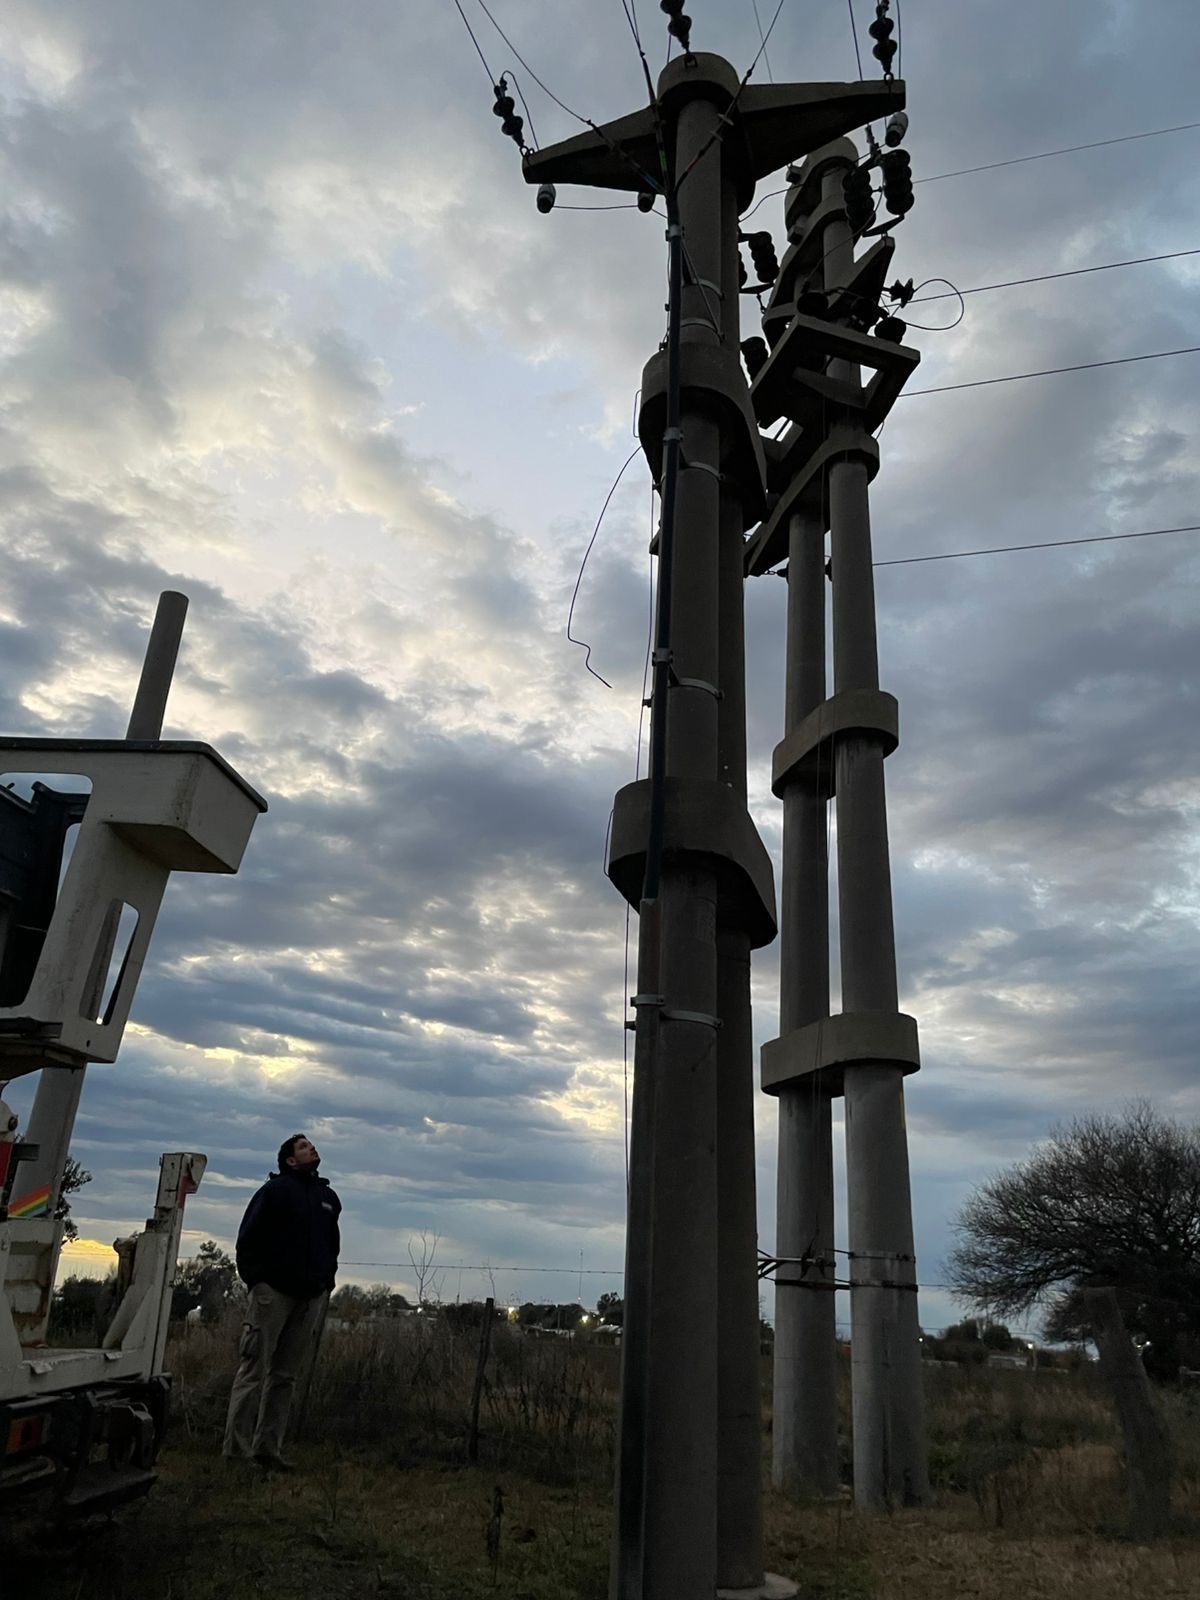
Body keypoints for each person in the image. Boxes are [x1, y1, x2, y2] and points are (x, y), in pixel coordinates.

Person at [223, 1133, 341, 1470]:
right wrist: (257, 1284)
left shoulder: (328, 1197)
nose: (312, 1148)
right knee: (253, 1371)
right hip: (272, 1295)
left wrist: (326, 1283)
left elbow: (331, 1246)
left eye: (311, 1145)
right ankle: (237, 1452)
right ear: (290, 1160)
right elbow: (247, 1240)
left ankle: (267, 1451)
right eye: (303, 1147)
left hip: (309, 1299)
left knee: (285, 1377)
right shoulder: (274, 1192)